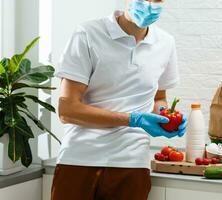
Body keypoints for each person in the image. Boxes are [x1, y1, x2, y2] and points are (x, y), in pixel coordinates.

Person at [51, 0, 186, 199]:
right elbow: (67, 110)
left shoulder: (165, 43)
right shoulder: (88, 34)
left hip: (132, 164)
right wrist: (133, 119)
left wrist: (166, 118)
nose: (149, 4)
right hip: (80, 158)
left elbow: (159, 98)